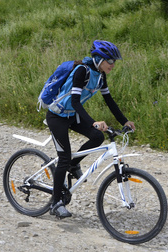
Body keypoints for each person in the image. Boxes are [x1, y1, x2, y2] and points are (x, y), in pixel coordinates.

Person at [46, 40, 136, 218]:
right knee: (63, 157)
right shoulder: (82, 71)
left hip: (72, 115)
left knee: (97, 137)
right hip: (57, 116)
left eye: (114, 61)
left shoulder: (101, 76)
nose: (113, 64)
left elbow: (109, 101)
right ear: (100, 58)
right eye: (110, 61)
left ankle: (73, 165)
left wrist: (124, 121)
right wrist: (94, 121)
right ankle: (56, 203)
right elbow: (74, 101)